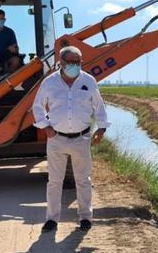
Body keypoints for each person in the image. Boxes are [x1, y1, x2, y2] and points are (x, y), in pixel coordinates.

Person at [31, 46, 109, 232]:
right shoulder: (50, 83)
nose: (75, 66)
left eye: (78, 62)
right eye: (71, 62)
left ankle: (85, 218)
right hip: (57, 139)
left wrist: (102, 127)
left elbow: (99, 106)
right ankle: (52, 219)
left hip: (81, 138)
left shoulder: (88, 81)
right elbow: (37, 107)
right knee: (54, 181)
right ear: (61, 62)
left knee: (83, 180)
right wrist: (46, 127)